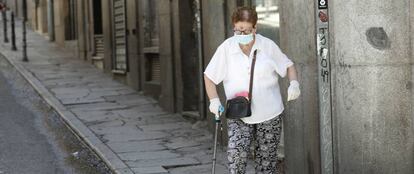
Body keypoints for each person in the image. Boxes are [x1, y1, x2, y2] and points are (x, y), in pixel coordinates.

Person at [204, 6, 301, 174]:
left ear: (255, 28)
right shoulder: (227, 48)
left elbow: (288, 65)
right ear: (234, 27)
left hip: (269, 112)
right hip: (239, 112)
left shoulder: (267, 45)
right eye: (238, 30)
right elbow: (209, 76)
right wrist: (214, 100)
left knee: (266, 163)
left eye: (247, 31)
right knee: (236, 156)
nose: (242, 35)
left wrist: (294, 84)